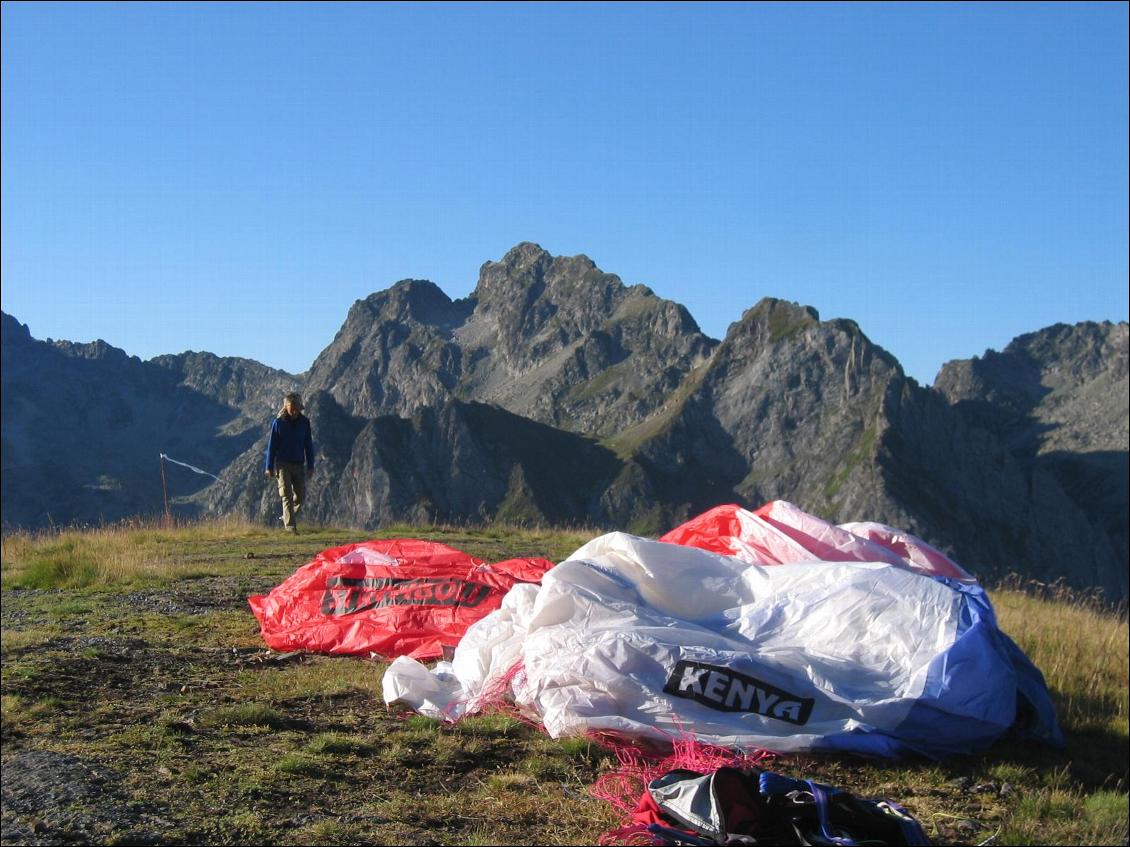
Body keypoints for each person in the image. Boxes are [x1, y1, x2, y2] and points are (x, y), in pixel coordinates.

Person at [264, 392, 315, 533]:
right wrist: (269, 466)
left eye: (296, 408)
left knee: (300, 496)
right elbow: (272, 446)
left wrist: (311, 465)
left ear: (300, 407)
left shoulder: (305, 423)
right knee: (286, 494)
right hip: (282, 464)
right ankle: (290, 527)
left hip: (299, 464)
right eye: (291, 408)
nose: (294, 411)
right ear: (286, 407)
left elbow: (308, 445)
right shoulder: (278, 423)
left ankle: (287, 515)